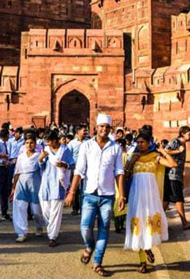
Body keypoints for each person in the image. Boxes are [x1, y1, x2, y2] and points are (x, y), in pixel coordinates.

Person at [65, 114, 125, 277]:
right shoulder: (86, 146)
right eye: (101, 126)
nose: (104, 129)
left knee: (104, 229)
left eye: (107, 127)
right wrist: (71, 192)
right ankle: (89, 246)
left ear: (110, 129)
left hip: (107, 195)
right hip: (89, 193)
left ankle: (97, 262)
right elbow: (79, 170)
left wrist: (122, 196)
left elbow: (119, 172)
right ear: (96, 128)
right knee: (85, 227)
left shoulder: (115, 148)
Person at [124, 131, 178, 274]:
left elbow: (173, 164)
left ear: (149, 143)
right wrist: (131, 162)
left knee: (148, 223)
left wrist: (162, 151)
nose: (140, 144)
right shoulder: (133, 156)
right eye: (138, 142)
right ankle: (142, 261)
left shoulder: (155, 157)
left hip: (151, 196)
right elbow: (126, 175)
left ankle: (148, 248)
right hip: (136, 195)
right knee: (138, 225)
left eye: (143, 142)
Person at [38, 130, 74, 247]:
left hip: (58, 183)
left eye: (48, 141)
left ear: (54, 140)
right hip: (46, 183)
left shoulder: (65, 150)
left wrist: (64, 164)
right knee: (45, 211)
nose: (47, 143)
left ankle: (52, 236)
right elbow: (41, 167)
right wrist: (40, 159)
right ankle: (51, 228)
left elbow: (72, 164)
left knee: (56, 212)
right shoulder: (46, 150)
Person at [10, 133, 44, 242]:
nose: (29, 145)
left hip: (35, 183)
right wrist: (14, 187)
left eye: (31, 143)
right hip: (21, 183)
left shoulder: (39, 155)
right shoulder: (21, 156)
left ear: (35, 143)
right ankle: (21, 232)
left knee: (36, 210)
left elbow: (43, 170)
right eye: (27, 143)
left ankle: (39, 226)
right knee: (20, 207)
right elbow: (17, 171)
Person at [164, 126, 190, 230]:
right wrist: (178, 151)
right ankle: (184, 223)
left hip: (176, 175)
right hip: (172, 175)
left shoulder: (183, 144)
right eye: (189, 134)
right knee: (179, 199)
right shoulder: (175, 142)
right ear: (183, 133)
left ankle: (157, 220)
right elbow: (165, 151)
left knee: (166, 199)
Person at [67, 126, 87, 215]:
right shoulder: (72, 143)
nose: (85, 132)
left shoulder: (88, 142)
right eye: (84, 130)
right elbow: (68, 155)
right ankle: (75, 208)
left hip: (86, 168)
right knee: (75, 188)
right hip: (75, 169)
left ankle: (83, 208)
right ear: (78, 131)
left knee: (85, 188)